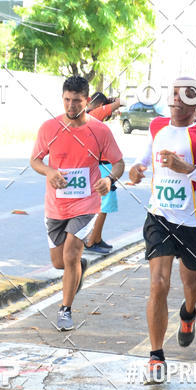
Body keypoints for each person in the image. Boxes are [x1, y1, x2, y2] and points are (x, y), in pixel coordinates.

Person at [129, 77, 196, 382]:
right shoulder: (157, 126)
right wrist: (136, 169)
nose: (175, 100)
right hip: (159, 217)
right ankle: (156, 356)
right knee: (158, 285)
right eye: (172, 93)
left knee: (191, 281)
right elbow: (141, 161)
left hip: (194, 224)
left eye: (183, 96)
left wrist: (189, 169)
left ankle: (188, 314)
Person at [31, 76, 124, 330]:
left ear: (87, 101)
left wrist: (109, 179)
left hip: (87, 204)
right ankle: (78, 268)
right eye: (67, 100)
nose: (71, 106)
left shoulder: (100, 131)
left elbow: (118, 163)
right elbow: (36, 160)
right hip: (55, 205)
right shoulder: (49, 128)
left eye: (76, 101)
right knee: (59, 262)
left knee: (71, 252)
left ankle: (65, 310)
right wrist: (49, 172)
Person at [85, 92, 124, 254]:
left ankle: (97, 238)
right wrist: (113, 102)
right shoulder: (93, 114)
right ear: (100, 105)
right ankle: (91, 241)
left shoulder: (89, 116)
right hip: (103, 168)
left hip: (101, 165)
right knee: (104, 206)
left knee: (104, 206)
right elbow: (120, 102)